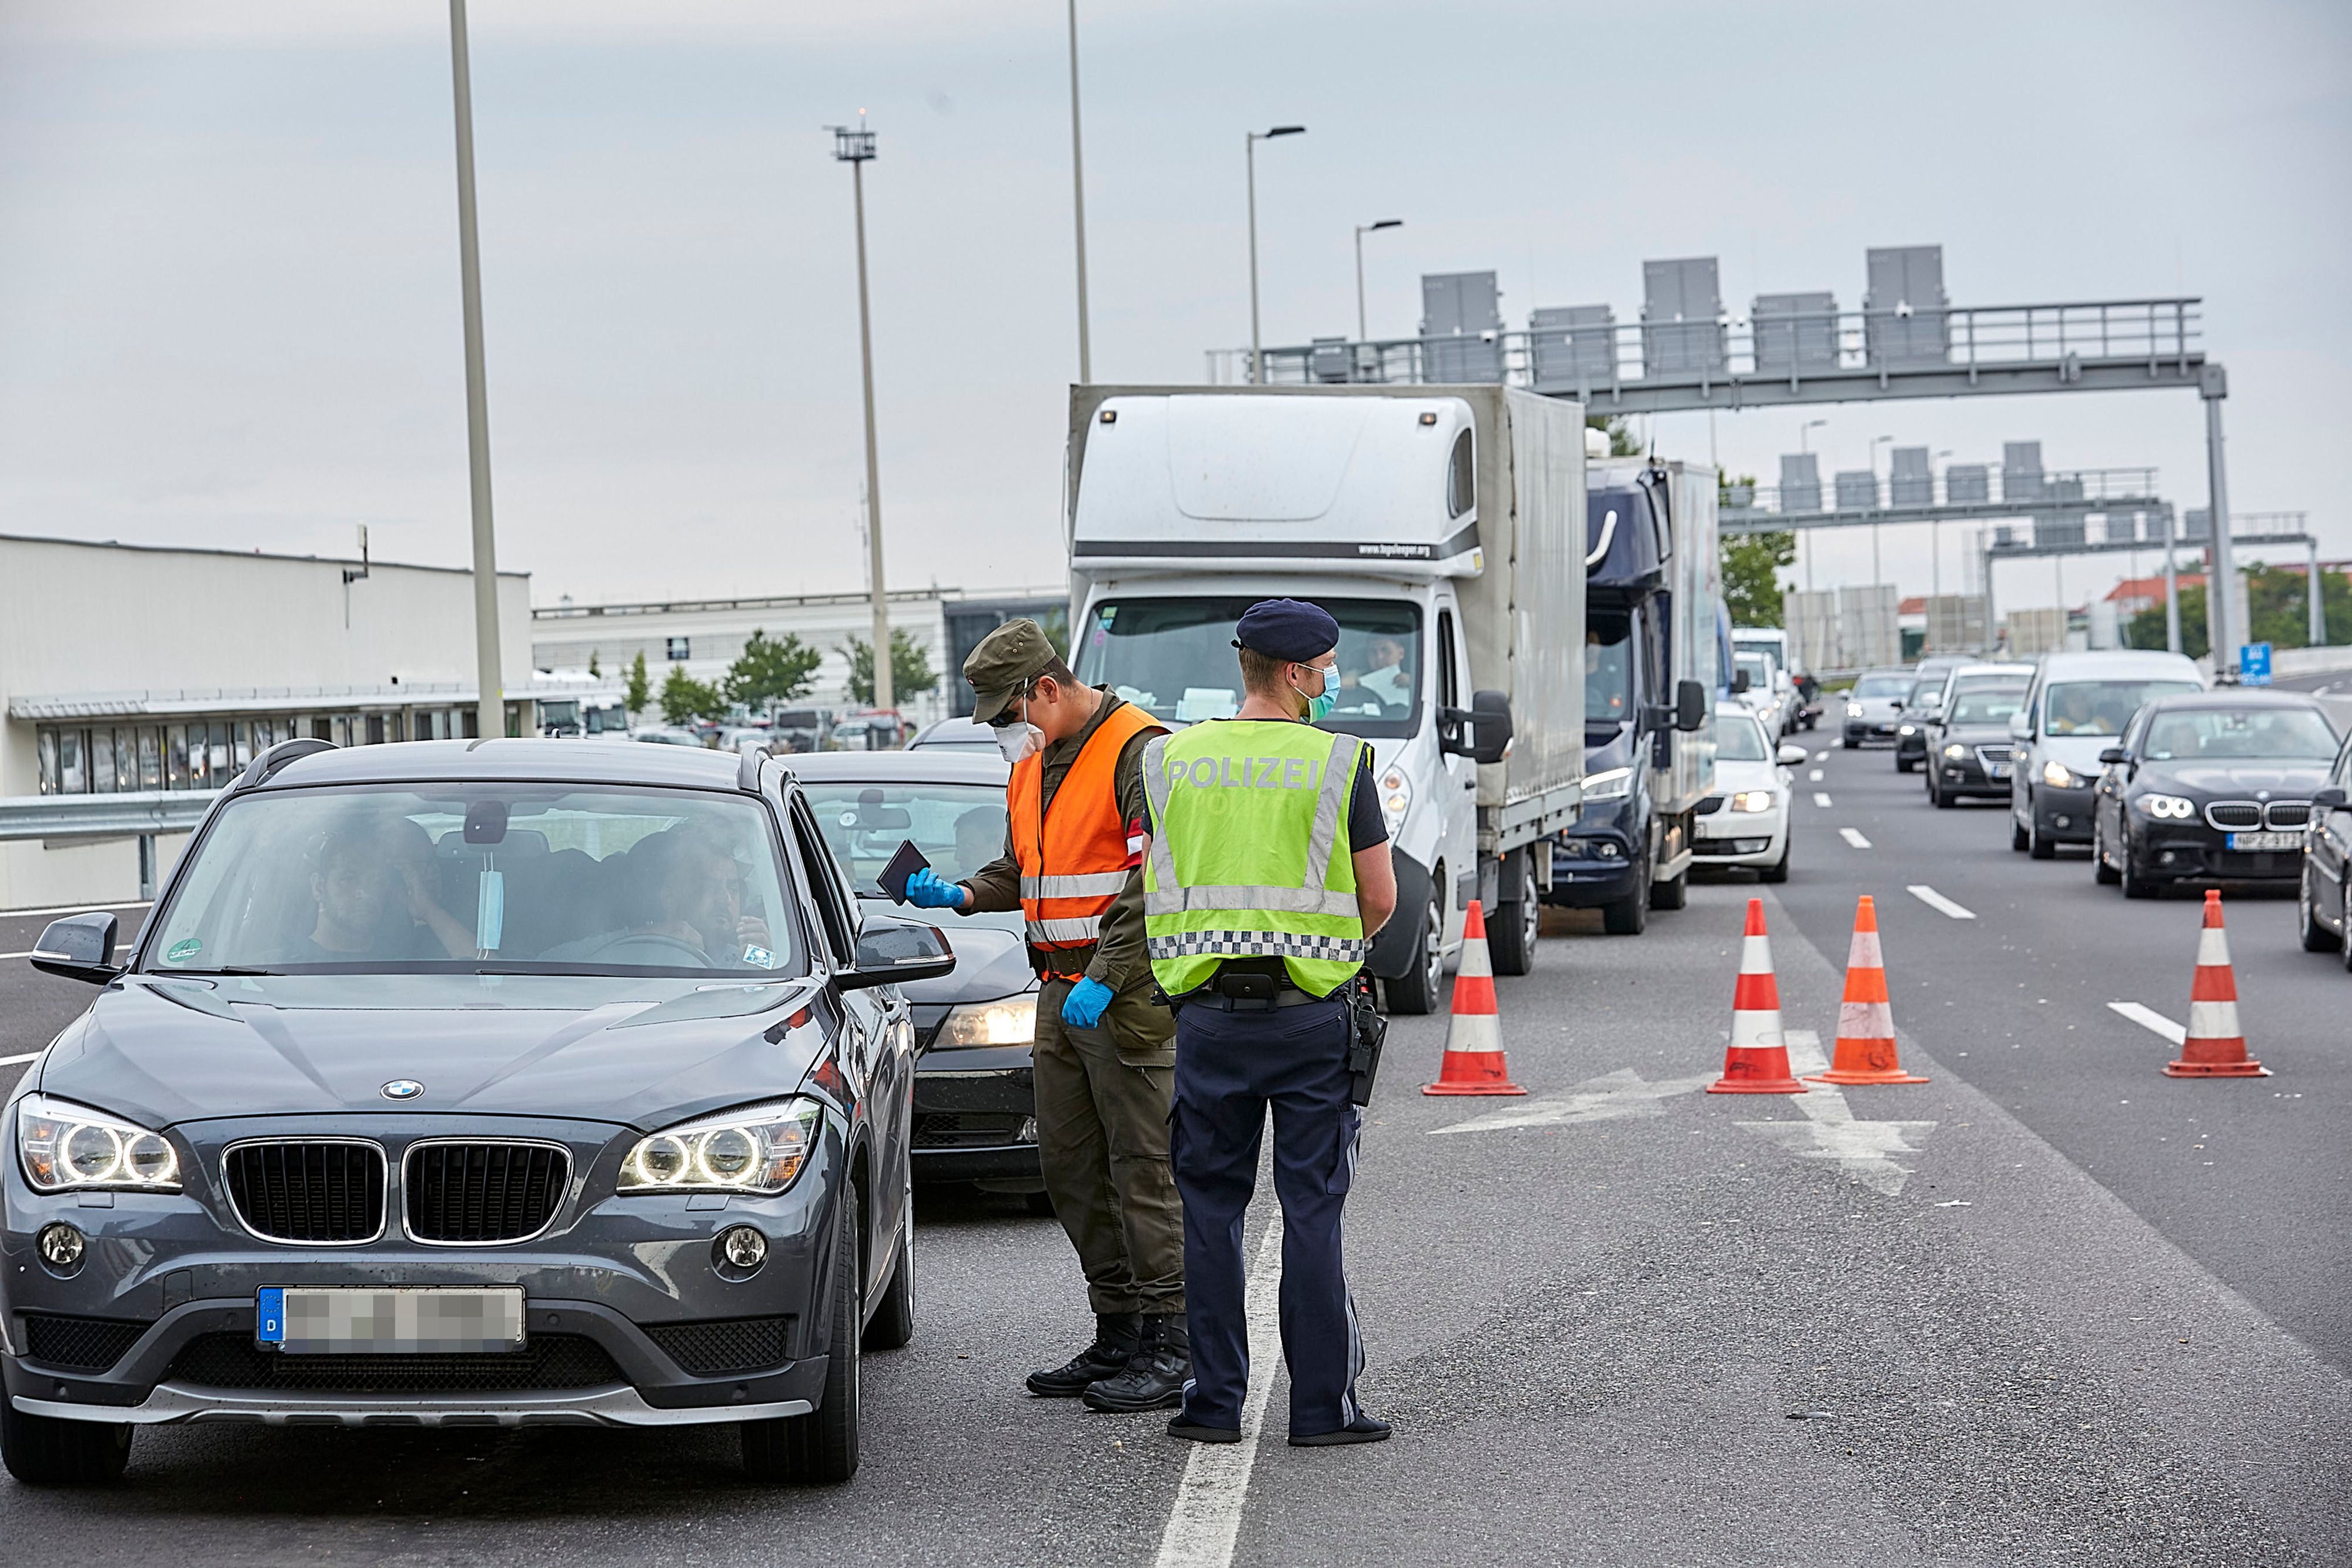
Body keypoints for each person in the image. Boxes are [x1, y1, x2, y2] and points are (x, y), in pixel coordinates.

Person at [902, 617, 1191, 1411]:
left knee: (1143, 1166)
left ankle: (1175, 1338)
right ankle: (1120, 1327)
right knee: (1069, 1165)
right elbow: (1021, 867)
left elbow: (1154, 879)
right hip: (1060, 993)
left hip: (1120, 992)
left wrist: (1106, 974)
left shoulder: (1138, 746)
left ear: (1049, 688)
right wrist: (961, 892)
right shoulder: (1034, 767)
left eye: (1008, 712)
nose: (1005, 729)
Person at [1140, 597, 1398, 1448]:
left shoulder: (1172, 758)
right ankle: (1322, 1408)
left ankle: (1212, 1403)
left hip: (1207, 1019)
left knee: (1210, 1212)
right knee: (1312, 1211)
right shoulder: (1338, 762)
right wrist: (1327, 950)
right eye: (1324, 669)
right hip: (1309, 1019)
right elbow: (1379, 897)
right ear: (1293, 673)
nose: (1329, 681)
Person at [279, 818, 473, 964]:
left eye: (377, 880)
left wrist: (428, 911)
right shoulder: (280, 966)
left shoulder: (412, 955)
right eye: (349, 879)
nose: (364, 892)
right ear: (319, 887)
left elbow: (488, 976)